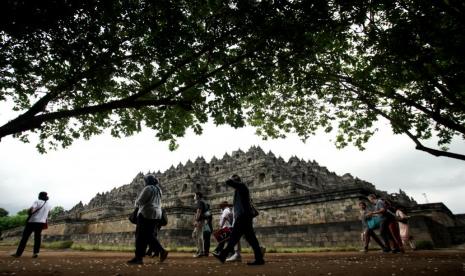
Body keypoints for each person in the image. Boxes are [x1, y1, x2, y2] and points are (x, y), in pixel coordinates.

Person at [213, 175, 265, 265]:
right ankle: (259, 259)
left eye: (234, 181)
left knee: (235, 238)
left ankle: (223, 255)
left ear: (236, 181)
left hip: (242, 217)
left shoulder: (242, 186)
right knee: (248, 238)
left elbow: (228, 182)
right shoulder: (239, 190)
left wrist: (229, 178)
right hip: (244, 217)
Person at [127, 174, 168, 265]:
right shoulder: (158, 190)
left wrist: (136, 201)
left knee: (140, 236)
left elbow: (139, 202)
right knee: (149, 235)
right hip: (156, 215)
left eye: (144, 181)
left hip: (146, 214)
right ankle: (143, 256)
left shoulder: (148, 188)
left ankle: (139, 257)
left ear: (147, 181)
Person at [11, 191, 52, 258]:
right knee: (37, 238)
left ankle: (18, 253)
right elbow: (49, 214)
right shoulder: (49, 205)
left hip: (32, 222)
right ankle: (35, 253)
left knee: (25, 237)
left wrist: (29, 211)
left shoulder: (37, 201)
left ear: (40, 196)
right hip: (41, 223)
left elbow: (32, 210)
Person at [192, 192, 212, 257]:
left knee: (198, 235)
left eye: (194, 195)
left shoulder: (199, 202)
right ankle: (200, 250)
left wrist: (196, 220)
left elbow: (199, 211)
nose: (194, 196)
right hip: (201, 220)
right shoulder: (203, 202)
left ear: (197, 196)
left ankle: (201, 251)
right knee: (194, 235)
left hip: (200, 221)